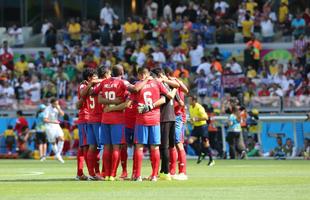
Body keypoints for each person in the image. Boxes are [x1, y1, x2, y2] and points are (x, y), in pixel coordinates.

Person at [132, 67, 175, 181]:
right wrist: (175, 88)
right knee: (155, 148)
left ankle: (138, 176)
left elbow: (134, 92)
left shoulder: (138, 84)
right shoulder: (157, 83)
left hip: (142, 119)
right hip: (155, 119)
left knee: (139, 147)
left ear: (141, 75)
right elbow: (169, 96)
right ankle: (154, 175)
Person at [151, 68, 179, 181]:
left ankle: (166, 172)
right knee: (170, 146)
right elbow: (177, 85)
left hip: (164, 118)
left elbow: (167, 97)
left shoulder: (160, 85)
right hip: (171, 117)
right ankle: (166, 170)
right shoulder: (169, 85)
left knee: (164, 147)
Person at [75, 68, 97, 180]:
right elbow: (83, 95)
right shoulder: (83, 86)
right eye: (94, 76)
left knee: (85, 147)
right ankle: (89, 174)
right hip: (85, 118)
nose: (96, 78)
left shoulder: (90, 85)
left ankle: (80, 173)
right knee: (84, 147)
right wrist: (91, 84)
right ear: (89, 78)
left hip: (91, 118)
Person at [188, 95, 215, 166]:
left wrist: (197, 119)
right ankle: (201, 153)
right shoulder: (190, 107)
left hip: (203, 127)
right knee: (190, 141)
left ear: (194, 101)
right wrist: (192, 121)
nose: (188, 101)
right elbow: (193, 117)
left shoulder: (199, 107)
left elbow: (206, 117)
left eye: (190, 100)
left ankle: (211, 160)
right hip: (196, 127)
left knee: (206, 143)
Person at [43, 98, 65, 163]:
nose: (56, 105)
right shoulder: (47, 109)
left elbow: (62, 114)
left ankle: (57, 155)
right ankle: (58, 156)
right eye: (55, 104)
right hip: (49, 126)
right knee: (53, 142)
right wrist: (53, 122)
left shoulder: (57, 107)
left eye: (57, 103)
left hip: (56, 126)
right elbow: (45, 120)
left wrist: (59, 108)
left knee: (62, 138)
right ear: (51, 103)